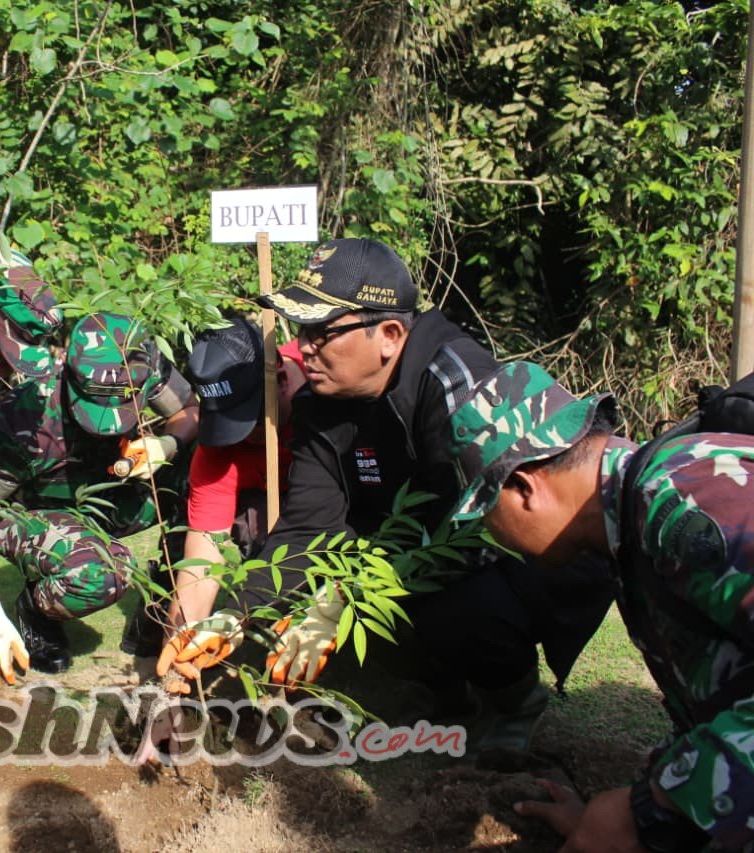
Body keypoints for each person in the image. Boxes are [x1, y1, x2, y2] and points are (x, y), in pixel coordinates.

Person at [164, 238, 611, 752]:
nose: (304, 346)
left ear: (390, 334)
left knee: (456, 609)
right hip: (415, 543)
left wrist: (342, 598)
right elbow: (309, 527)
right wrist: (232, 613)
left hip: (525, 548)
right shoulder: (320, 404)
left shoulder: (454, 384)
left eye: (322, 331)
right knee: (349, 600)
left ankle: (514, 700)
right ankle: (445, 694)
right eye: (301, 329)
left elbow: (471, 528)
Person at [447, 360, 753, 853]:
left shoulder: (683, 499)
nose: (491, 536)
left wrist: (651, 808)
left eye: (486, 513)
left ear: (524, 486)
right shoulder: (632, 524)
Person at [0, 311, 199, 679]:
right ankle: (35, 609)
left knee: (201, 474)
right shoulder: (27, 416)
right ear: (69, 370)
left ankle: (161, 604)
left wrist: (168, 444)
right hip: (33, 510)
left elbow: (189, 410)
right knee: (103, 575)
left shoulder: (144, 361)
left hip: (110, 491)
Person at [163, 317, 305, 632]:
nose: (238, 439)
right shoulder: (217, 451)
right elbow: (203, 559)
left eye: (247, 421)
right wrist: (180, 639)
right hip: (265, 505)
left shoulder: (331, 394)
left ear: (281, 381)